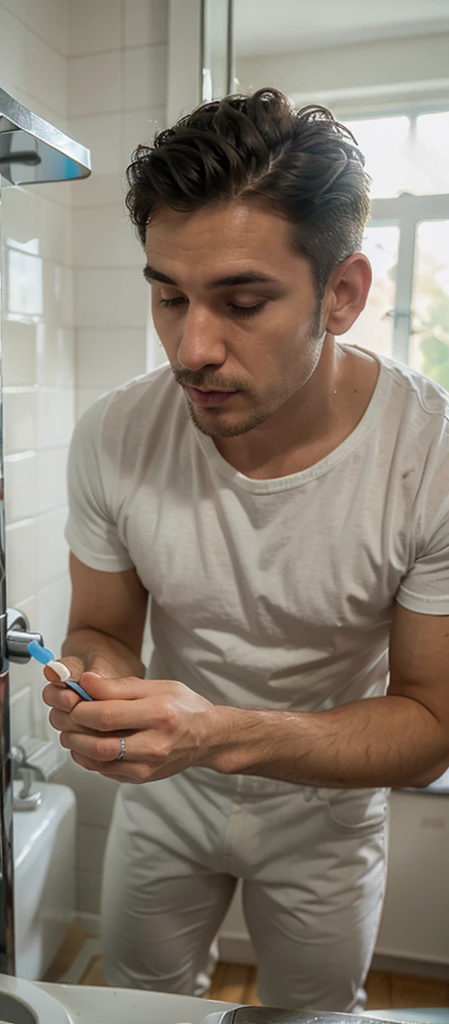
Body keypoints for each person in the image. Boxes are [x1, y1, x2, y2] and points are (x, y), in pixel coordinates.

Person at [42, 88, 449, 1012]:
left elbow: (430, 727)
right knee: (143, 1003)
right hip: (164, 800)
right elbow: (102, 627)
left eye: (242, 301)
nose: (192, 348)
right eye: (169, 296)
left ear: (341, 295)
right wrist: (88, 683)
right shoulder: (114, 437)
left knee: (315, 1012)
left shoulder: (429, 458)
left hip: (328, 806)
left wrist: (220, 734)